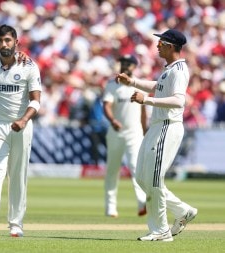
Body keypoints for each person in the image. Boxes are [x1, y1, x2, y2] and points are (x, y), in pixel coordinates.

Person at [117, 29, 197, 242]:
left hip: (167, 126)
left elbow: (179, 101)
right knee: (143, 178)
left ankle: (161, 231)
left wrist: (147, 100)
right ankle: (183, 211)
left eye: (161, 42)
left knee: (153, 179)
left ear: (171, 46)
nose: (157, 45)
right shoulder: (169, 69)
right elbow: (158, 87)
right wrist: (133, 82)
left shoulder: (179, 70)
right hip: (157, 127)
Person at [0, 24, 42, 237]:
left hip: (21, 126)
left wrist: (24, 120)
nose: (4, 44)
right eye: (0, 40)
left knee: (17, 175)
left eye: (8, 40)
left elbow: (36, 101)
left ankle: (16, 224)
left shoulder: (29, 66)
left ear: (16, 42)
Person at [103, 55, 147, 218]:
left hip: (134, 132)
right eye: (123, 62)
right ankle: (110, 207)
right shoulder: (112, 84)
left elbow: (143, 112)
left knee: (136, 167)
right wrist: (113, 120)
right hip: (115, 132)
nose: (125, 65)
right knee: (112, 169)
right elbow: (106, 105)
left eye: (129, 63)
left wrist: (145, 130)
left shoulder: (139, 84)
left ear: (134, 67)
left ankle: (143, 202)